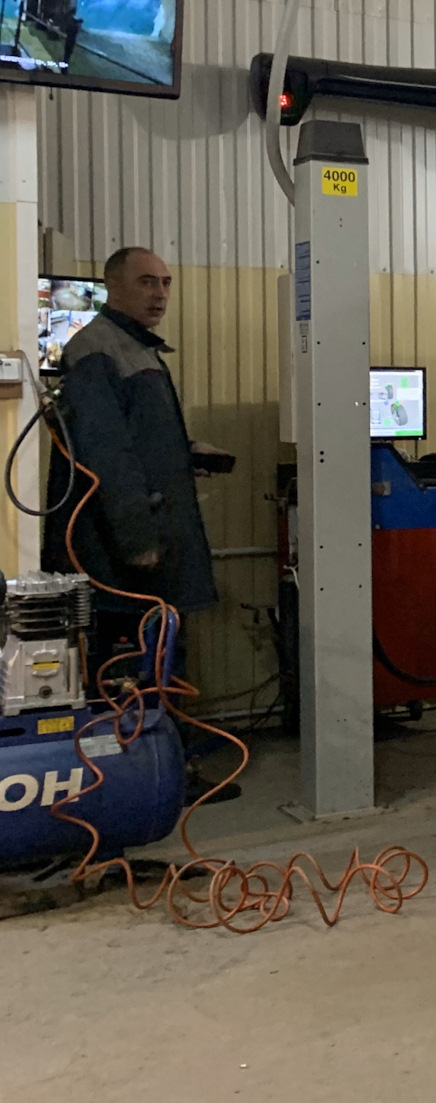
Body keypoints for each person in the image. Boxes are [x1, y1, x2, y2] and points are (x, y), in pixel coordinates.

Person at [43, 245, 238, 800]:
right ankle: (145, 784)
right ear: (112, 286)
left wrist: (185, 454)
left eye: (166, 283)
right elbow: (107, 456)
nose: (159, 294)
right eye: (147, 282)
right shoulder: (98, 351)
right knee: (133, 668)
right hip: (120, 556)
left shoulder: (133, 347)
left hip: (147, 541)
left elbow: (136, 441)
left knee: (158, 659)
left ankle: (166, 770)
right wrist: (137, 542)